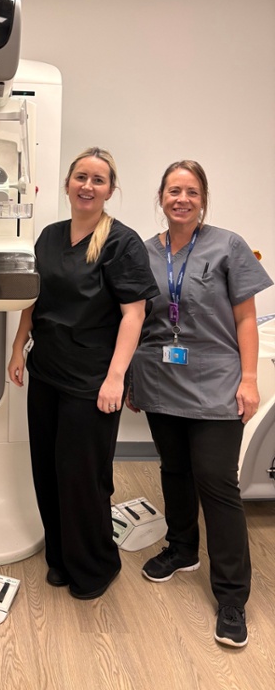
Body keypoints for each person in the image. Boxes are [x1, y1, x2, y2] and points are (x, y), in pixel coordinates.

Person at [128, 160, 273, 649]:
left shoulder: (227, 246)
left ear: (203, 199)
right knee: (174, 469)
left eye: (191, 191)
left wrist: (249, 379)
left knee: (216, 479)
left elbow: (246, 319)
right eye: (174, 190)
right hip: (160, 379)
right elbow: (135, 319)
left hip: (216, 382)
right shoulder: (145, 252)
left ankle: (232, 597)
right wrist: (131, 378)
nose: (182, 199)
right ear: (161, 197)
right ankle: (182, 548)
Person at [8, 147, 158, 600]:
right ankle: (60, 557)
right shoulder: (50, 237)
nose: (87, 186)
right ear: (67, 183)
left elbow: (134, 314)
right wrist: (18, 347)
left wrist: (116, 378)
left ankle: (93, 567)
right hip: (47, 371)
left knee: (83, 478)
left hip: (91, 380)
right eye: (81, 177)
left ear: (110, 190)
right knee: (47, 469)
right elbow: (33, 298)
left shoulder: (122, 242)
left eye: (98, 180)